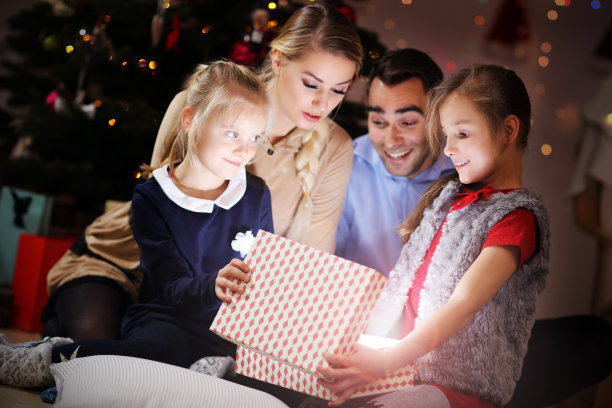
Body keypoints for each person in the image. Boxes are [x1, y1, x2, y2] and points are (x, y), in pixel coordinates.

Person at [40, 2, 363, 342]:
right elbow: (161, 208)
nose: (323, 104)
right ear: (280, 59)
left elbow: (310, 259)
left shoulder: (335, 148)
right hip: (132, 263)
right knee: (97, 352)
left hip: (212, 296)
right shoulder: (197, 103)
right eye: (312, 84)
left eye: (339, 90)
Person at [1, 59, 274, 388]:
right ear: (190, 120)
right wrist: (212, 285)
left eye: (255, 137)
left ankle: (205, 372)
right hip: (166, 316)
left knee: (272, 375)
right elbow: (168, 285)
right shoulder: (152, 197)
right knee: (154, 350)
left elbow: (264, 277)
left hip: (224, 328)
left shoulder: (256, 194)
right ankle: (39, 360)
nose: (246, 149)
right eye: (232, 133)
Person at [316, 64, 550, 408]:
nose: (449, 148)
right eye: (446, 134)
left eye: (463, 134)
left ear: (508, 129)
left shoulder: (516, 217)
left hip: (453, 384)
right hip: (403, 366)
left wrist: (385, 361)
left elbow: (463, 304)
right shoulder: (447, 200)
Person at [334, 48, 454, 276]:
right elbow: (324, 258)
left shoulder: (466, 174)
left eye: (407, 122)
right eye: (379, 122)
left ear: (438, 117)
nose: (390, 141)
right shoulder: (344, 163)